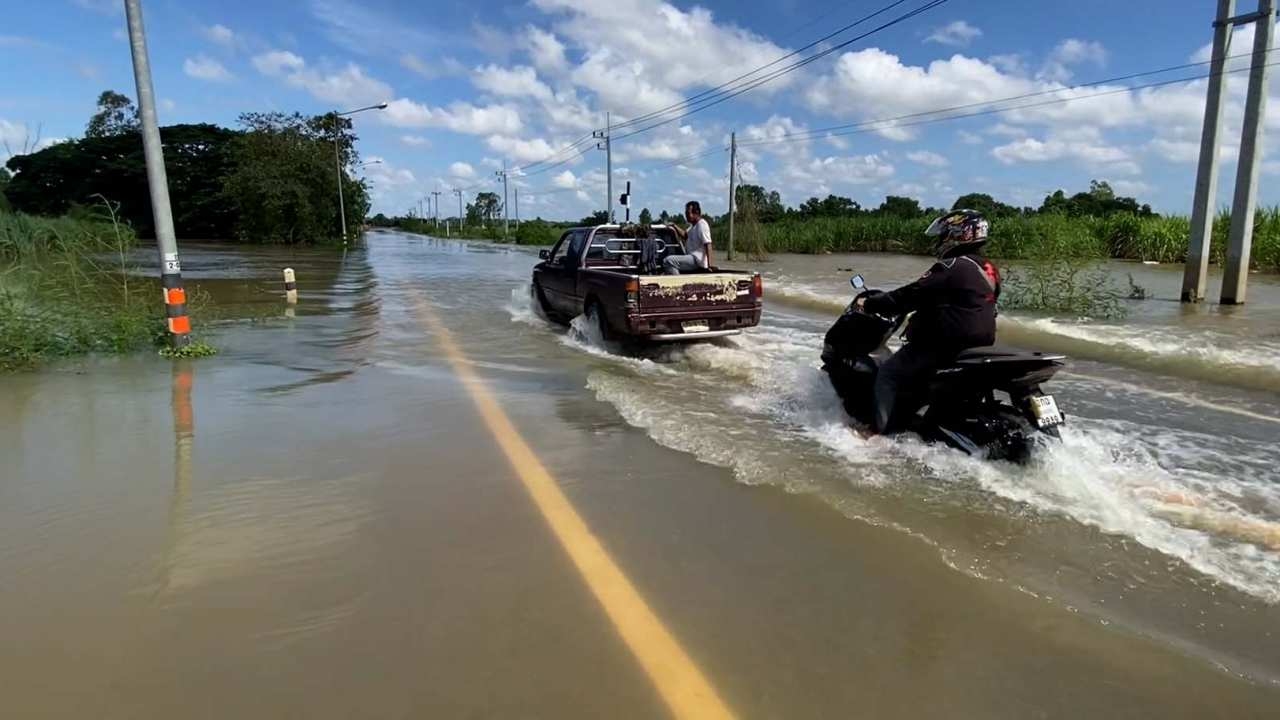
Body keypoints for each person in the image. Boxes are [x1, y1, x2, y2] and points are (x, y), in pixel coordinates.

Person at [857, 209, 1001, 435]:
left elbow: (911, 295)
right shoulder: (989, 269)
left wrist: (872, 303)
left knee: (888, 374)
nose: (940, 240)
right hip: (979, 345)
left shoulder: (951, 265)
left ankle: (878, 435)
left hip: (943, 346)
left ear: (956, 233)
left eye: (942, 235)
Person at [663, 201, 713, 274]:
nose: (686, 216)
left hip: (697, 260)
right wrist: (674, 226)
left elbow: (708, 244)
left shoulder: (702, 225)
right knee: (670, 260)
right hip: (691, 257)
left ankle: (677, 283)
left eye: (688, 213)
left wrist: (710, 266)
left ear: (696, 212)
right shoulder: (693, 226)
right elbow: (685, 235)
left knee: (668, 261)